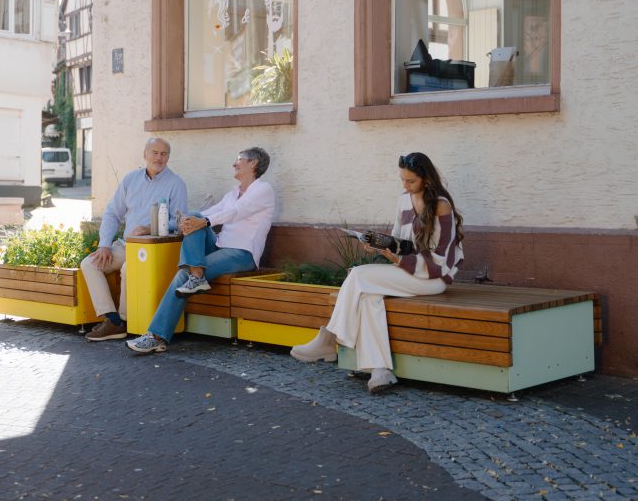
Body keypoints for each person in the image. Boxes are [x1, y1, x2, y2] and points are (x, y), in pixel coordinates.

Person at [290, 152, 464, 393]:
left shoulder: (441, 206)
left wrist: (399, 260)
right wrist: (380, 244)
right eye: (402, 180)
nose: (405, 186)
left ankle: (330, 339)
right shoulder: (405, 200)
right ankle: (380, 371)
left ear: (427, 179)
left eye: (411, 181)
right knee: (370, 296)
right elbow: (401, 241)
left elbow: (442, 259)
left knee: (359, 275)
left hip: (433, 278)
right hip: (407, 271)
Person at [127, 147, 275, 354]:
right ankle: (197, 276)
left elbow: (236, 212)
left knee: (182, 274)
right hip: (221, 246)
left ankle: (156, 336)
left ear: (253, 164)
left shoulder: (263, 189)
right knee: (193, 215)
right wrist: (185, 222)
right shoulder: (233, 193)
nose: (234, 163)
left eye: (239, 159)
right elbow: (209, 213)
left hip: (242, 253)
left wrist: (203, 222)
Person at [80, 137, 188, 341]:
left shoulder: (176, 184)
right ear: (145, 155)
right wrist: (104, 245)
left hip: (153, 249)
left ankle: (125, 319)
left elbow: (180, 221)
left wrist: (150, 228)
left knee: (129, 268)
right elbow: (112, 213)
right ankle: (112, 320)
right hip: (126, 245)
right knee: (90, 263)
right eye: (155, 152)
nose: (159, 157)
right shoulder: (131, 180)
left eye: (164, 154)